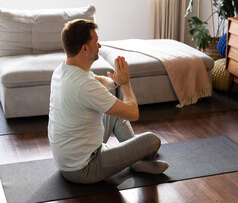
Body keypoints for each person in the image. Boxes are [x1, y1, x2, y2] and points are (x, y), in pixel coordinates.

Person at [48, 19, 169, 184]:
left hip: (67, 161)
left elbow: (97, 79)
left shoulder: (63, 70)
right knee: (152, 140)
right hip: (84, 168)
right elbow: (133, 113)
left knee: (114, 114)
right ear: (85, 48)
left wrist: (116, 81)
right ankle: (137, 160)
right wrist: (126, 83)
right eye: (96, 42)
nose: (99, 46)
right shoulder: (84, 85)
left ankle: (136, 160)